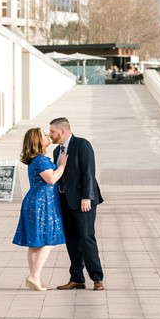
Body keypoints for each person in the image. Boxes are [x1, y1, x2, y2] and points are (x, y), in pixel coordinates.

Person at [49, 116, 104, 291]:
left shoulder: (82, 144)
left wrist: (86, 197)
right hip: (65, 202)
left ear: (62, 131)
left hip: (83, 202)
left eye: (52, 131)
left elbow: (89, 172)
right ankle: (76, 278)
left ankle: (97, 279)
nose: (50, 135)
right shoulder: (57, 152)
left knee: (86, 238)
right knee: (72, 240)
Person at [12, 127, 67, 291]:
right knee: (49, 240)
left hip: (35, 201)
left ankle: (35, 278)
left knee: (35, 243)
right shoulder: (41, 160)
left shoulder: (36, 159)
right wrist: (62, 166)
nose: (48, 135)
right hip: (42, 204)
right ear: (37, 141)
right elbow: (51, 179)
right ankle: (34, 275)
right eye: (44, 134)